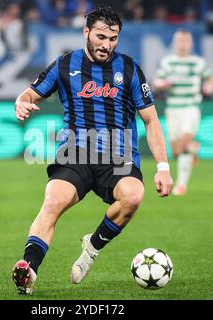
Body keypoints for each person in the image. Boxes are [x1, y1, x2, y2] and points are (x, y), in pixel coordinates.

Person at [11, 6, 173, 295]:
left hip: (118, 158)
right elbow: (30, 93)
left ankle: (92, 247)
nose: (106, 45)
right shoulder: (64, 65)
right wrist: (21, 102)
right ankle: (29, 268)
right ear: (86, 32)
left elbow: (151, 120)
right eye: (100, 37)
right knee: (53, 201)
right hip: (75, 153)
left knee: (133, 197)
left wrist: (163, 167)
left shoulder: (130, 69)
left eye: (113, 39)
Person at [153, 29, 213, 196]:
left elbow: (211, 79)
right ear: (175, 43)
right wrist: (162, 84)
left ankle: (181, 185)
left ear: (191, 43)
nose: (182, 44)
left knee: (185, 143)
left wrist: (209, 87)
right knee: (176, 151)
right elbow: (156, 81)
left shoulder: (198, 62)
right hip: (173, 108)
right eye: (179, 41)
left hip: (191, 107)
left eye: (185, 41)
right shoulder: (168, 62)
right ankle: (192, 149)